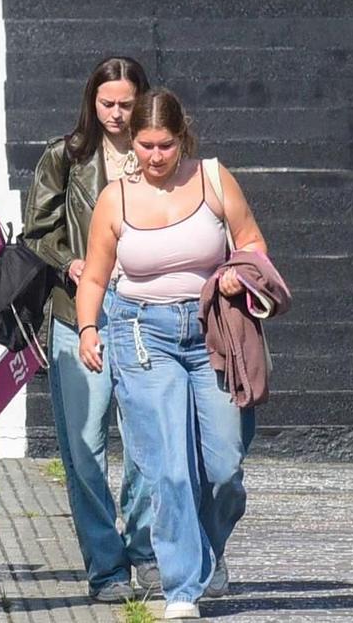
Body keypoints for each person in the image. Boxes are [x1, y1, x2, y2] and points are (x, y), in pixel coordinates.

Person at [73, 90, 267, 621]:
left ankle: (205, 549)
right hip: (142, 334)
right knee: (170, 468)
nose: (155, 157)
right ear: (132, 141)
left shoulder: (213, 179)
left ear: (183, 138)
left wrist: (237, 271)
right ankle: (182, 587)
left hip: (212, 331)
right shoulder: (115, 199)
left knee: (224, 467)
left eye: (165, 145)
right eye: (145, 145)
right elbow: (95, 276)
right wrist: (88, 329)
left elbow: (252, 242)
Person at [20, 56, 156, 603]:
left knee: (147, 438)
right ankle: (106, 567)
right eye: (107, 104)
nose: (116, 114)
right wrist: (69, 261)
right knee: (84, 447)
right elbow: (37, 231)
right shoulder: (66, 155)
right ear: (91, 101)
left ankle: (144, 548)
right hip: (76, 309)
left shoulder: (157, 153)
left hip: (145, 310)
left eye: (126, 104)